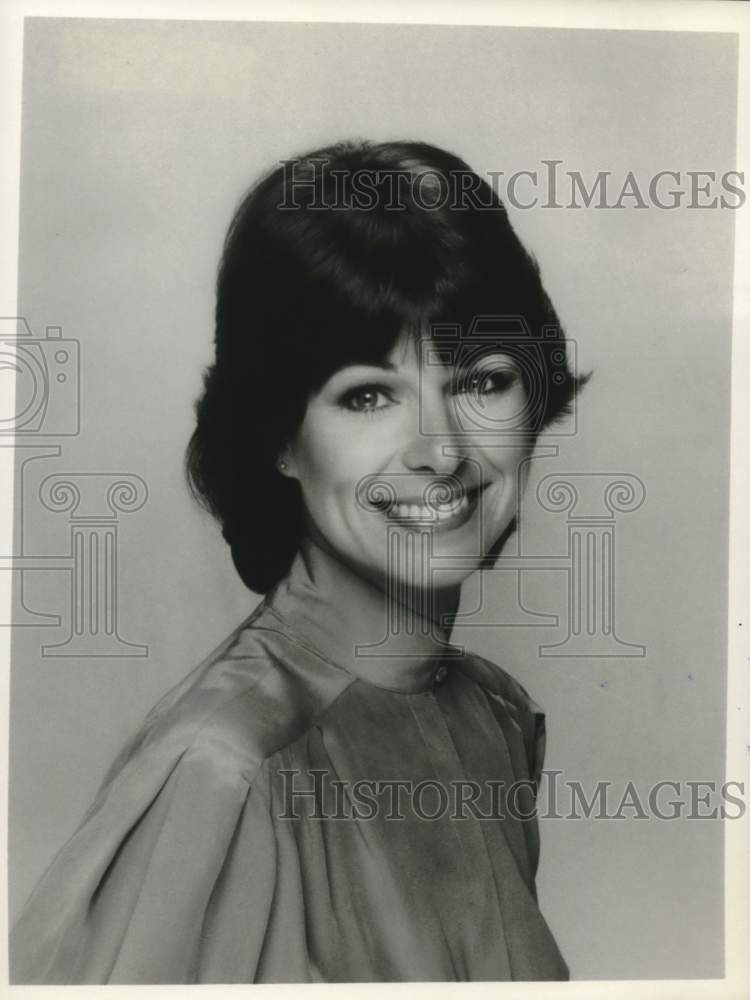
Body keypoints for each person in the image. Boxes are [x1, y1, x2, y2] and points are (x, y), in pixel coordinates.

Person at [10, 139, 590, 983]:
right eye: (368, 395)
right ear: (280, 437)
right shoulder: (225, 772)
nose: (441, 450)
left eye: (480, 381)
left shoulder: (493, 718)